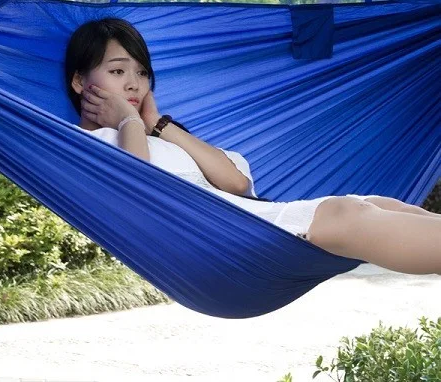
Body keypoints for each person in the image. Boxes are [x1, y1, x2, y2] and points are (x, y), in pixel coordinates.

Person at [65, 17, 441, 275]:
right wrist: (128, 121)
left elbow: (237, 183)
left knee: (376, 204)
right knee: (350, 215)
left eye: (142, 73)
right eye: (117, 71)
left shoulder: (156, 137)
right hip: (231, 246)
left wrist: (158, 125)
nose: (134, 84)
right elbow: (136, 189)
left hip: (258, 223)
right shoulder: (83, 147)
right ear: (80, 82)